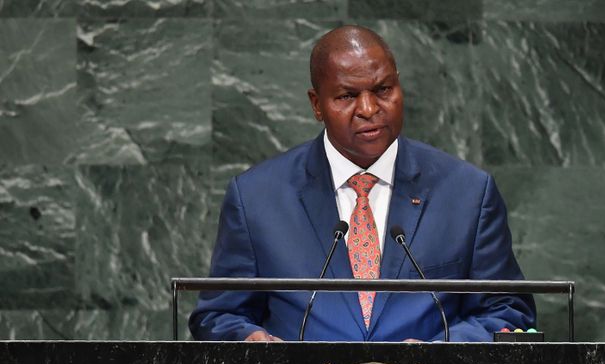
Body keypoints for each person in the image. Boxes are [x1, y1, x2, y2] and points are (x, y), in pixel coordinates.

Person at [189, 25, 536, 342]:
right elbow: (219, 315)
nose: (369, 108)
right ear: (317, 105)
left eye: (383, 89)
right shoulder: (255, 198)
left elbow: (508, 311)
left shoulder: (468, 193)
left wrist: (444, 351)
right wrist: (250, 340)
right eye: (347, 96)